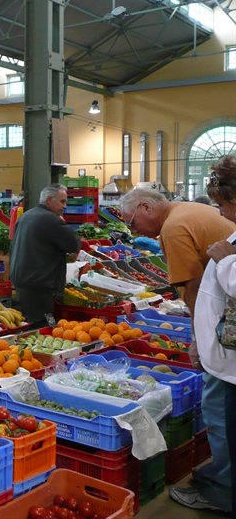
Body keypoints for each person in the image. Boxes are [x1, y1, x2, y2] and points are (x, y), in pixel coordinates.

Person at [119, 186, 235, 513]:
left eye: (132, 221)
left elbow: (195, 288)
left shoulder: (173, 227)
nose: (133, 230)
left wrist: (199, 338)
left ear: (145, 206)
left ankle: (221, 490)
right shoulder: (185, 210)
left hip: (225, 337)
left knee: (219, 409)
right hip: (228, 328)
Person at [183, 158, 236, 516]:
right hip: (221, 355)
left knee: (223, 427)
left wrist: (227, 260)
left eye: (222, 200)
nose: (218, 208)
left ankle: (222, 492)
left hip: (228, 362)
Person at [10, 184, 81, 326]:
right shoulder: (51, 220)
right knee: (46, 323)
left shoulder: (26, 216)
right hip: (40, 286)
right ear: (49, 200)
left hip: (23, 282)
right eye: (62, 201)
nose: (65, 206)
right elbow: (73, 244)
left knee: (31, 321)